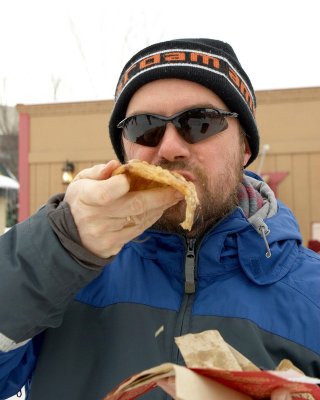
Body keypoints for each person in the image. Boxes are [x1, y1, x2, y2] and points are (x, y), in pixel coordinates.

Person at [0, 38, 319, 400]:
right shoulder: (62, 275)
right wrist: (58, 245)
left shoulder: (312, 291)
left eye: (200, 122)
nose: (168, 149)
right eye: (144, 127)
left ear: (245, 146)